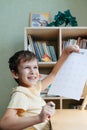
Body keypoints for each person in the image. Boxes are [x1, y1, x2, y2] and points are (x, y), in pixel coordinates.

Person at [0, 45, 79, 130]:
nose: (32, 72)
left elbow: (53, 75)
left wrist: (65, 53)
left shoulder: (34, 88)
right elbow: (4, 124)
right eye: (27, 67)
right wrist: (39, 118)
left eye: (35, 67)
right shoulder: (21, 94)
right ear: (15, 74)